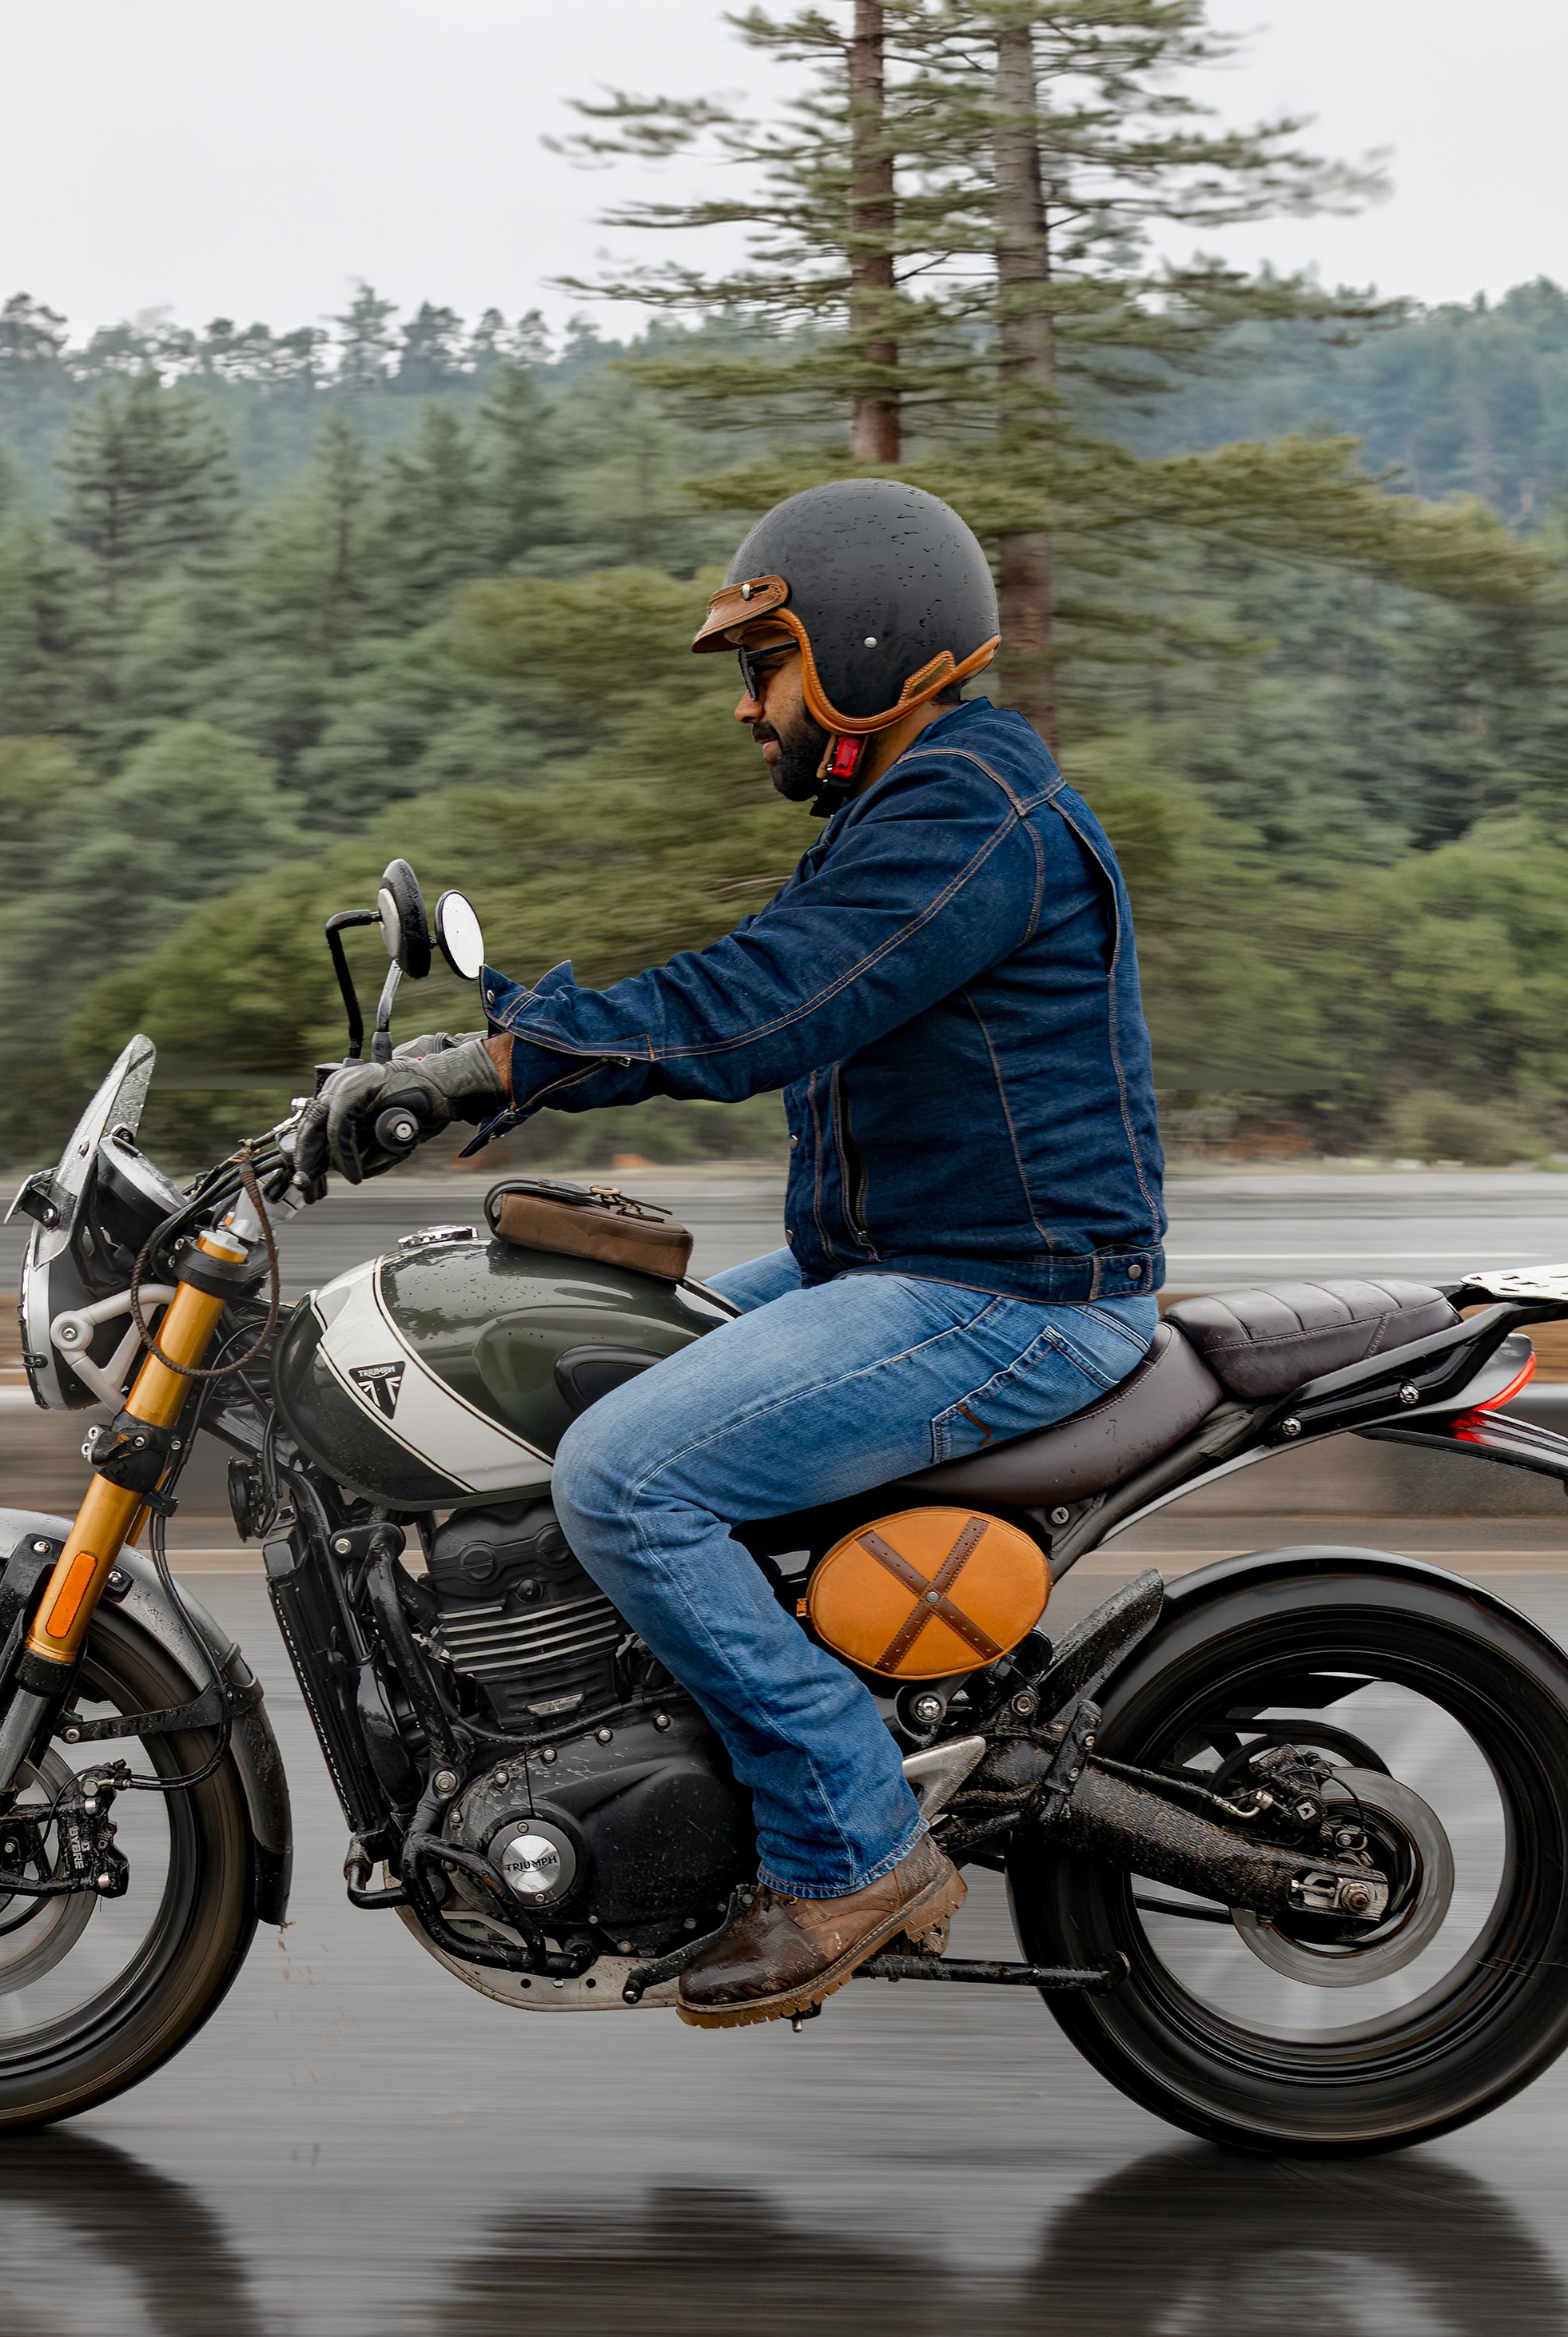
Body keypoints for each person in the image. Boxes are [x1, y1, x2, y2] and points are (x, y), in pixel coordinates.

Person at [310, 479, 1165, 2029]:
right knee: (580, 1363)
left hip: (1010, 1298)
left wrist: (510, 1062)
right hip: (900, 1266)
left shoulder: (969, 814)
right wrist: (486, 1052)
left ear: (857, 645)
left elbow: (767, 1004)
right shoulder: (917, 804)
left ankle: (851, 1845)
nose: (748, 710)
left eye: (761, 668)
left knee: (629, 1472)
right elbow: (771, 987)